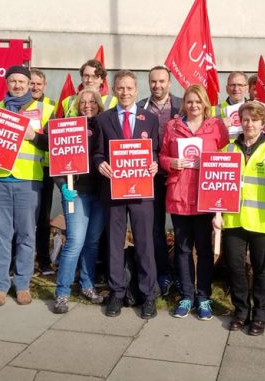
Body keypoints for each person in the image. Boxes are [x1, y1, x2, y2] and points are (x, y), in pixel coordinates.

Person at [212, 101, 265, 335]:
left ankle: (260, 315)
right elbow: (217, 185)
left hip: (263, 221)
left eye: (254, 120)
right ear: (240, 122)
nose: (249, 124)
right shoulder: (228, 150)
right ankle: (241, 311)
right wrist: (216, 213)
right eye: (245, 119)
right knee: (235, 267)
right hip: (234, 219)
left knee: (261, 269)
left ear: (262, 123)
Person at [0, 65, 50, 307]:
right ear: (7, 83)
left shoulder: (44, 110)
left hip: (29, 182)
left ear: (30, 84)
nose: (18, 86)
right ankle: (0, 285)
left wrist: (36, 137)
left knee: (26, 236)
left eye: (22, 81)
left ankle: (22, 285)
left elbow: (53, 144)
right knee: (0, 236)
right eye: (13, 81)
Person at [93, 70, 160, 319]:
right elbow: (98, 153)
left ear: (136, 90)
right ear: (113, 90)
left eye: (129, 88)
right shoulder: (103, 120)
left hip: (142, 191)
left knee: (145, 243)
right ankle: (117, 293)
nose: (125, 93)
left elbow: (156, 150)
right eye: (120, 88)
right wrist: (100, 164)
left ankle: (147, 295)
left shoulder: (149, 119)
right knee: (114, 243)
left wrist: (154, 163)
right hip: (114, 191)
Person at [159, 84, 229, 319]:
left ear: (205, 103)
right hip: (179, 195)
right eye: (189, 101)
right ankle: (186, 295)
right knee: (182, 248)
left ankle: (204, 297)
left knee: (205, 249)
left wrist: (211, 162)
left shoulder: (216, 126)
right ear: (184, 104)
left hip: (205, 196)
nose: (193, 105)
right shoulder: (173, 126)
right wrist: (171, 163)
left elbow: (227, 155)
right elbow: (162, 156)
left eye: (198, 101)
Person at [52, 88, 107, 313]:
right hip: (77, 193)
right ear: (77, 104)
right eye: (83, 101)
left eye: (92, 101)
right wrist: (62, 185)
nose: (87, 105)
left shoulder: (105, 124)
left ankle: (87, 285)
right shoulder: (68, 126)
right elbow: (55, 161)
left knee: (92, 243)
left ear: (99, 103)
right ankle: (62, 292)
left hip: (102, 193)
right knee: (75, 242)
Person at [137, 65, 182, 296]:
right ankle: (163, 273)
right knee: (154, 228)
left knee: (180, 228)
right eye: (153, 81)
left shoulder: (183, 105)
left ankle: (182, 275)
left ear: (170, 82)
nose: (158, 85)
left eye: (162, 81)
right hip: (150, 176)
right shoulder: (139, 108)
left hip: (179, 175)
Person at [29, 68, 58, 276]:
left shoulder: (51, 108)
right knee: (23, 219)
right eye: (31, 83)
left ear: (45, 86)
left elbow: (55, 140)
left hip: (46, 169)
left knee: (43, 217)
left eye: (38, 84)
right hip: (22, 170)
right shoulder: (16, 105)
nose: (34, 87)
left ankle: (44, 261)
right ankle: (19, 261)